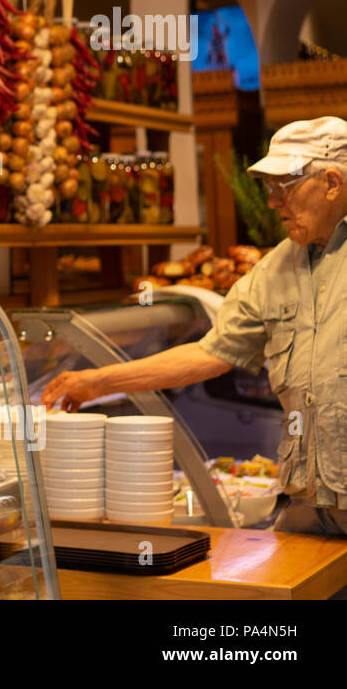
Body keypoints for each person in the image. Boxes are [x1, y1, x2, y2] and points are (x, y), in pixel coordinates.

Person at [42, 116, 347, 535]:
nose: (274, 202)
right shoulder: (278, 266)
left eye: (285, 186)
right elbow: (210, 352)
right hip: (309, 506)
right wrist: (97, 382)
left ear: (332, 183)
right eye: (270, 189)